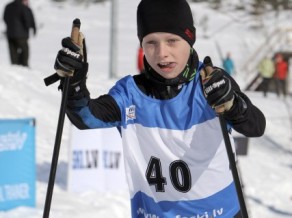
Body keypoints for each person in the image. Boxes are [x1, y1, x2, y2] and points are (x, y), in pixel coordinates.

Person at [52, 0, 266, 217]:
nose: (162, 53)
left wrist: (233, 105)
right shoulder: (130, 93)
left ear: (190, 38)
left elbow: (256, 126)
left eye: (172, 40)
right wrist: (75, 83)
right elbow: (85, 118)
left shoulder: (209, 83)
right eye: (151, 42)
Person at [3, 0, 37, 67]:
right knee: (25, 50)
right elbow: (28, 20)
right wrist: (30, 28)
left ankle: (15, 66)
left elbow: (4, 18)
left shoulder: (8, 6)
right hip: (21, 35)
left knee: (13, 52)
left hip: (10, 34)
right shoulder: (24, 7)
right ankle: (24, 65)